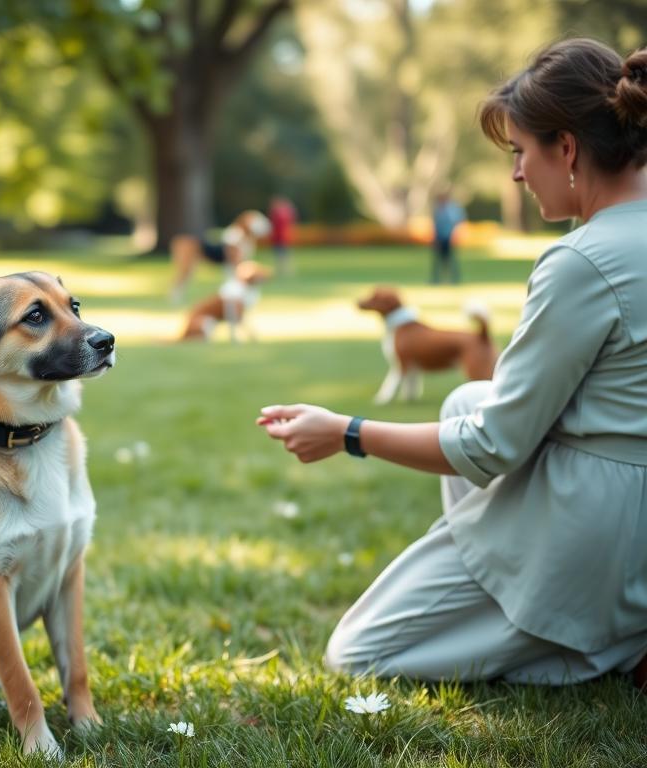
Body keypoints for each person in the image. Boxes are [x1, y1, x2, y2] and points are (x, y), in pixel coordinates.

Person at [258, 38, 647, 686]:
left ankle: (597, 643)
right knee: (466, 398)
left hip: (604, 522)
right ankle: (528, 593)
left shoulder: (583, 261)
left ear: (569, 149)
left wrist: (347, 433)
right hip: (628, 493)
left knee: (358, 652)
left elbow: (497, 445)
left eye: (521, 152)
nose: (518, 174)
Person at [169, 210, 271, 303]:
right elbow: (234, 261)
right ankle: (175, 294)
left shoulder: (244, 237)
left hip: (220, 256)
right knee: (186, 271)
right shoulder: (235, 236)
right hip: (215, 255)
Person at [430, 188, 466, 284]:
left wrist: (455, 235)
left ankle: (455, 279)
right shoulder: (438, 208)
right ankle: (436, 280)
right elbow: (436, 224)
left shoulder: (452, 209)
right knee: (438, 261)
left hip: (449, 237)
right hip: (440, 238)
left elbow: (458, 223)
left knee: (451, 260)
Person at [268, 196, 298, 276]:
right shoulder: (282, 213)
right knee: (283, 256)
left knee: (283, 256)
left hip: (281, 238)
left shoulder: (279, 214)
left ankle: (285, 271)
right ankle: (285, 271)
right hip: (282, 238)